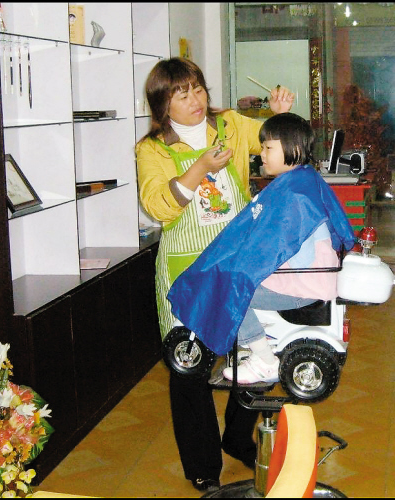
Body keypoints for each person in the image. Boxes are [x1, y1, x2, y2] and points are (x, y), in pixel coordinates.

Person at [135, 57, 295, 492]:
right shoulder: (152, 149)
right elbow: (158, 206)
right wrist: (199, 168)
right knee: (190, 366)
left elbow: (273, 144)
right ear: (162, 105)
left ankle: (238, 437)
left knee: (255, 354)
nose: (195, 99)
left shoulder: (229, 125)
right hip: (186, 271)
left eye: (198, 88)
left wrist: (279, 114)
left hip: (239, 262)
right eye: (181, 94)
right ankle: (202, 464)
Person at [167, 113, 356, 378]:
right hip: (305, 277)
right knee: (232, 279)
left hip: (304, 283)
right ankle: (253, 342)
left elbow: (287, 252)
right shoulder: (300, 181)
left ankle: (265, 361)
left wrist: (248, 265)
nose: (262, 155)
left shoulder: (294, 194)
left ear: (294, 149)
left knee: (229, 292)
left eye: (268, 148)